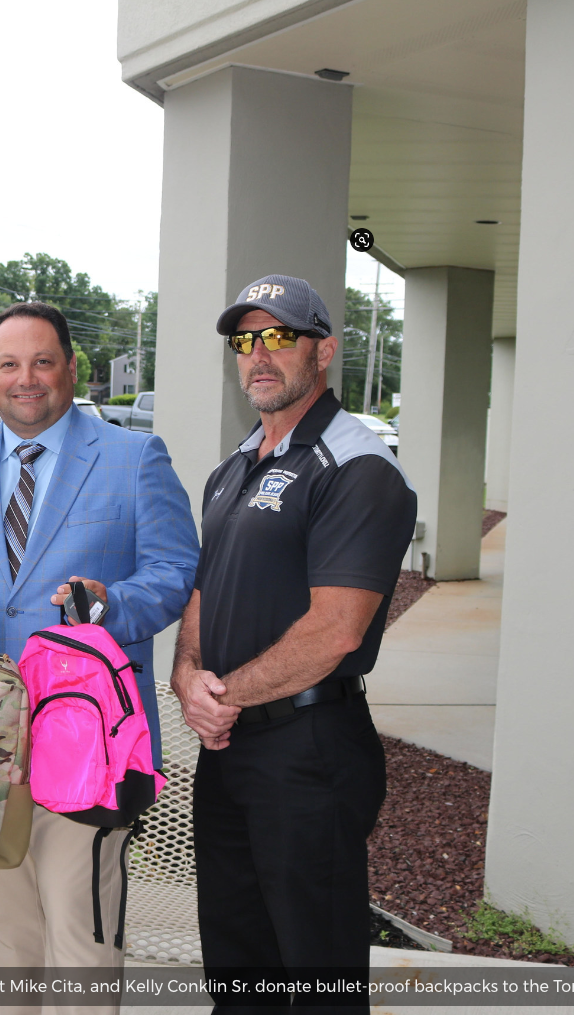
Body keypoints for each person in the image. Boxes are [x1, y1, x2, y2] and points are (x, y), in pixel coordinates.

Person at [0, 301, 199, 1011]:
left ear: (70, 367)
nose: (25, 378)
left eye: (41, 361)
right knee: (11, 936)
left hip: (86, 738)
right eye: (9, 364)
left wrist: (110, 604)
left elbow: (173, 570)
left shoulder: (133, 458)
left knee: (80, 936)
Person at [171, 275, 416, 1007]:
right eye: (244, 341)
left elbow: (335, 629)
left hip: (310, 751)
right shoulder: (234, 466)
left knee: (317, 981)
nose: (258, 355)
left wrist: (224, 695)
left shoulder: (357, 466)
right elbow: (203, 591)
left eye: (278, 336)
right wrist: (188, 676)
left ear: (324, 351)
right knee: (239, 973)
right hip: (229, 749)